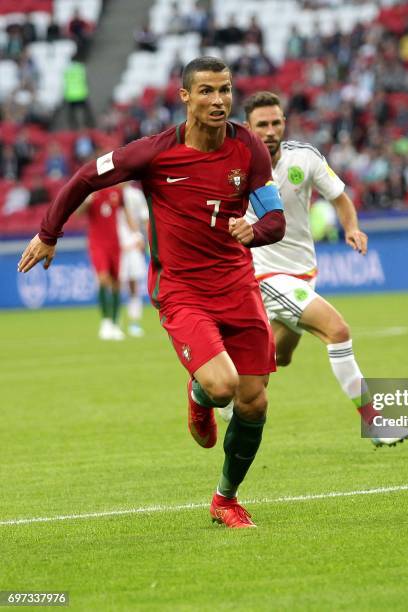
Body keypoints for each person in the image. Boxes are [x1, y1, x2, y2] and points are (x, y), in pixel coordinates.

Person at [17, 57, 286, 528]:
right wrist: (49, 232)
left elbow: (275, 220)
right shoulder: (154, 153)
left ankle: (225, 498)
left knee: (254, 401)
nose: (218, 100)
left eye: (224, 90)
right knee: (222, 387)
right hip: (182, 289)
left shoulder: (250, 150)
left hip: (238, 285)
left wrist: (255, 231)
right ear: (185, 97)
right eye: (206, 91)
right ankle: (200, 395)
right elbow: (85, 176)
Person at [243, 91, 408, 447]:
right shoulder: (235, 169)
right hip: (265, 275)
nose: (270, 131)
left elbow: (339, 198)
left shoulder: (304, 157)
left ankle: (215, 388)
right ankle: (375, 422)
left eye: (276, 123)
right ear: (248, 128)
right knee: (337, 330)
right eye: (262, 125)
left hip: (304, 273)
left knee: (278, 358)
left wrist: (351, 227)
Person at [79, 186, 126, 341]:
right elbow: (78, 213)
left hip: (115, 243)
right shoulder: (91, 190)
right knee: (103, 278)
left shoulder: (117, 191)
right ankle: (105, 321)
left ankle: (115, 322)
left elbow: (125, 211)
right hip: (97, 243)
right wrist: (87, 201)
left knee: (116, 283)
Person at [118, 182, 149, 337]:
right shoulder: (110, 195)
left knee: (134, 285)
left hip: (133, 245)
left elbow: (145, 219)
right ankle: (114, 322)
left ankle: (134, 322)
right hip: (116, 246)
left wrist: (141, 238)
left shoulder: (135, 195)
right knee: (115, 284)